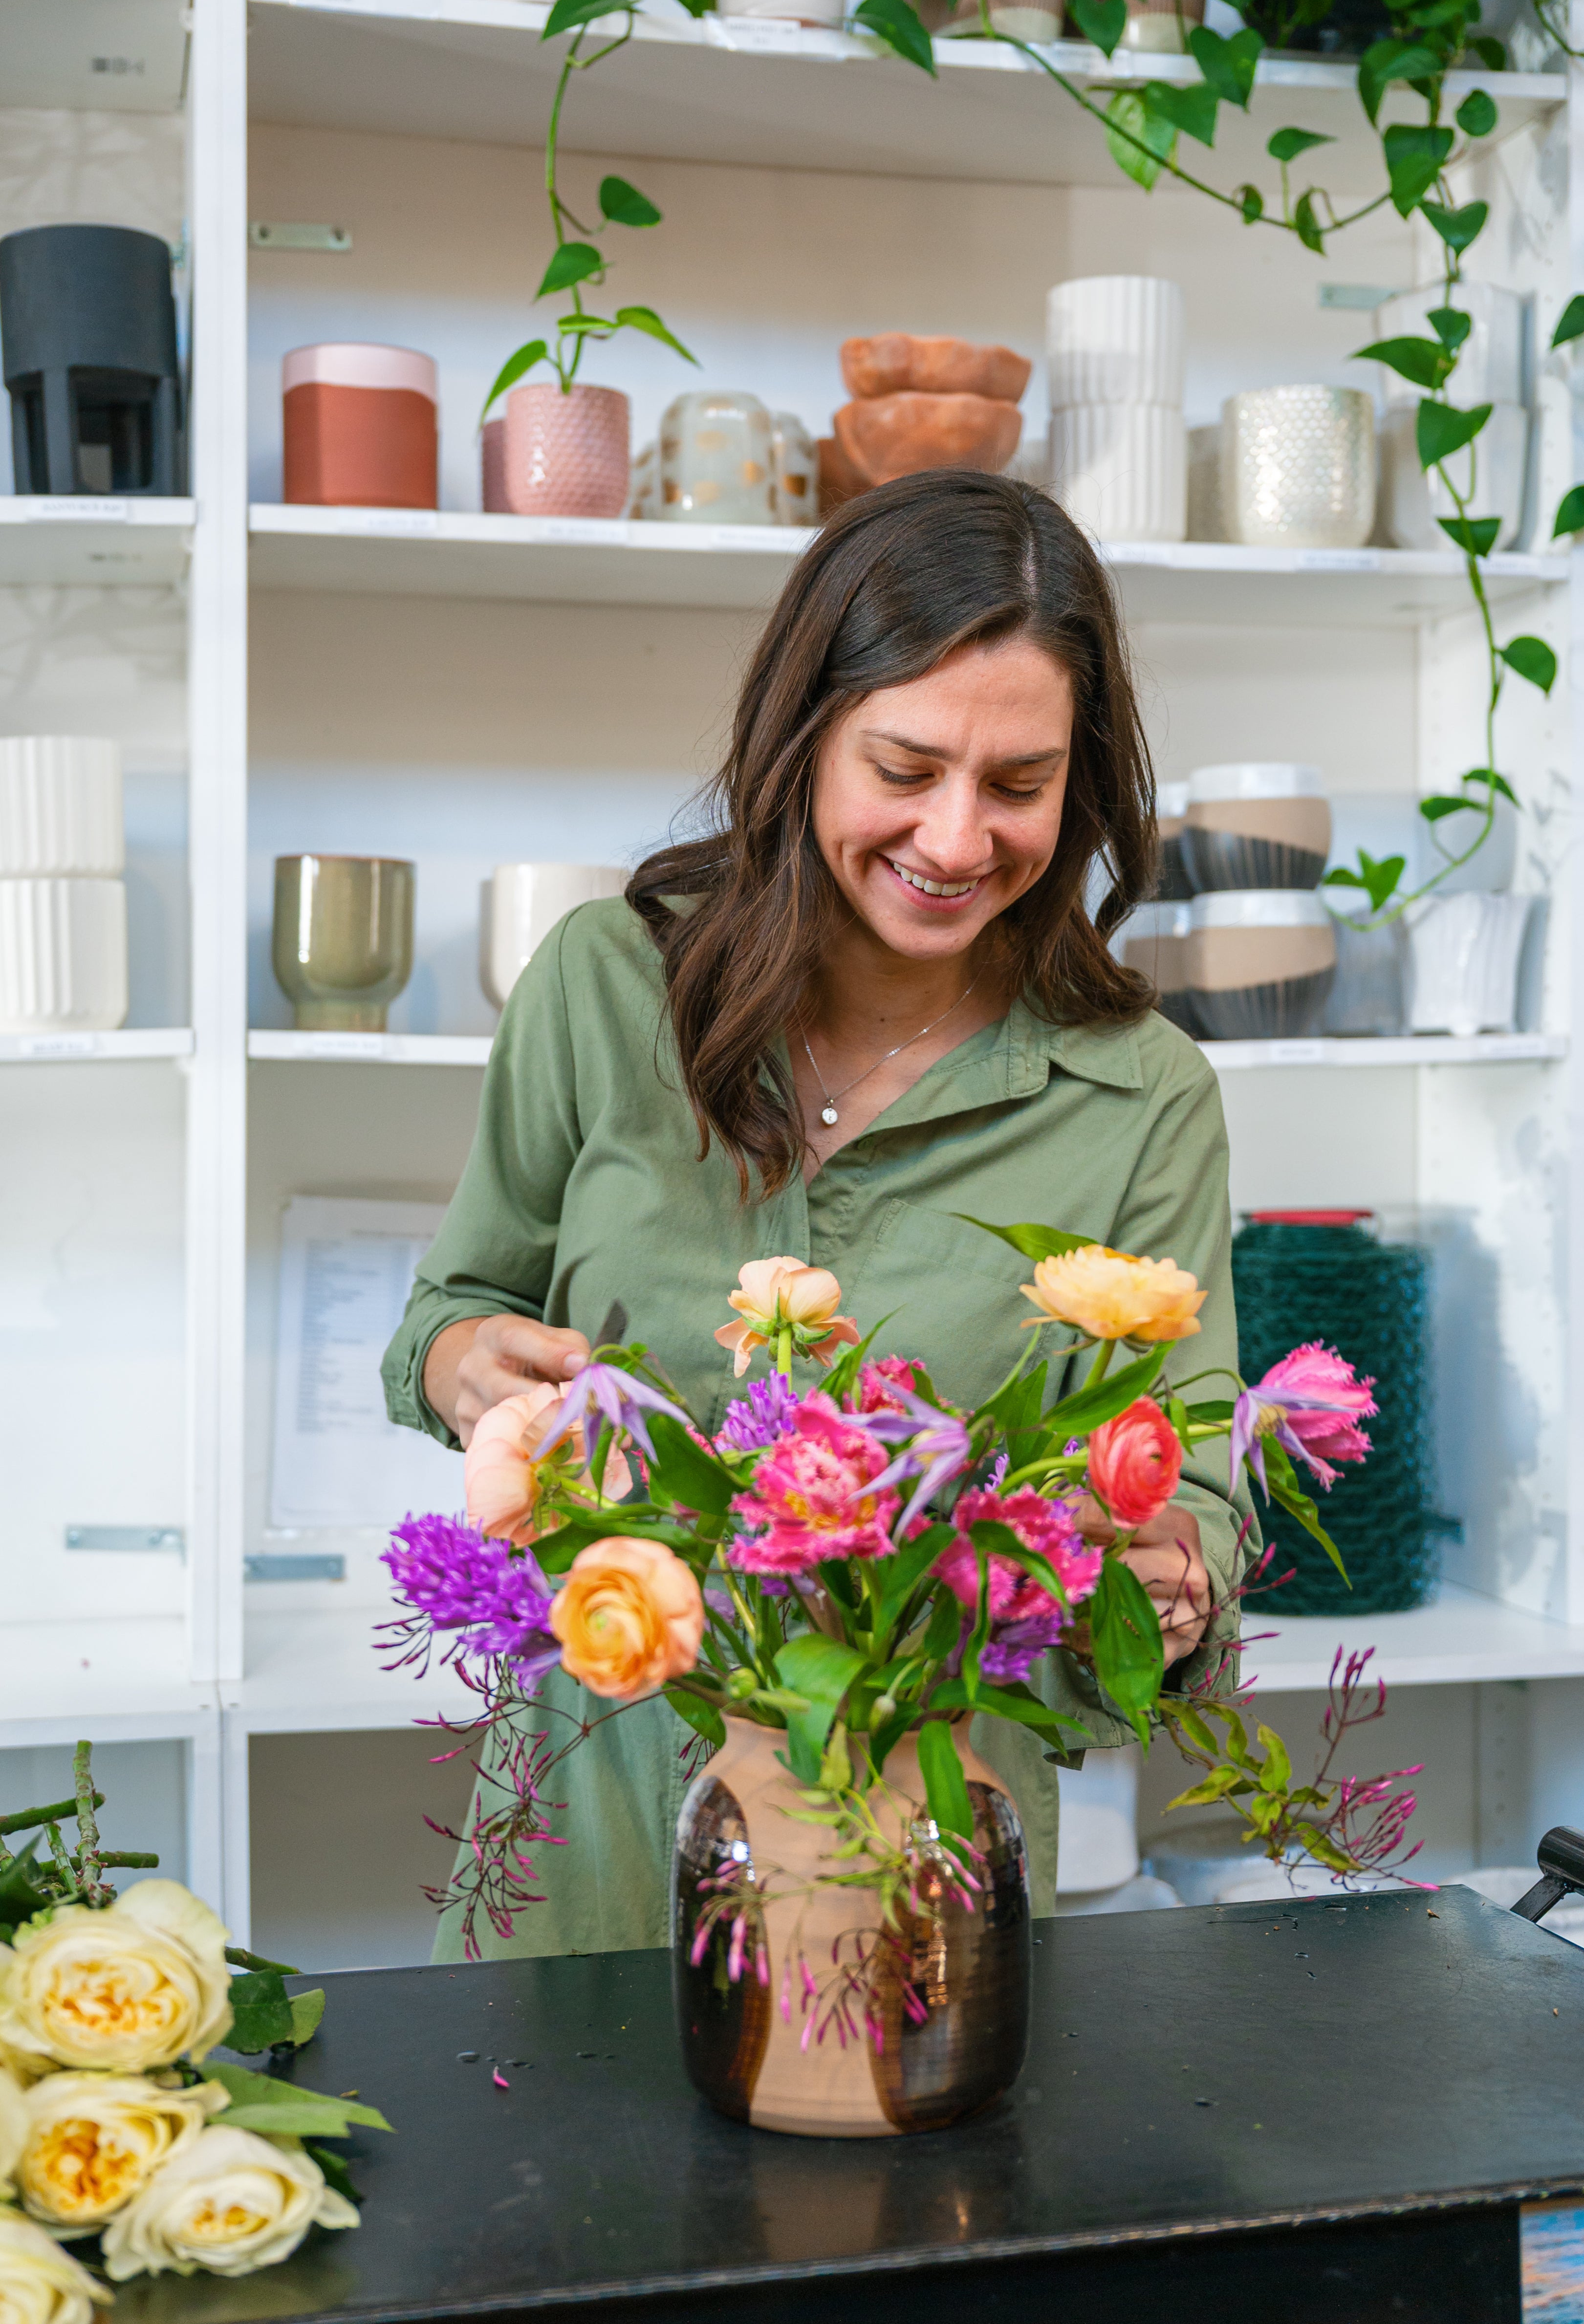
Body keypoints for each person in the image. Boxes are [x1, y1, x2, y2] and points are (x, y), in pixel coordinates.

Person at [382, 467, 1249, 1961]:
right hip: (584, 1833)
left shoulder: (1139, 1091)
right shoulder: (604, 984)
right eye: (905, 769)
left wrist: (1181, 1575)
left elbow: (1201, 1462)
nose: (961, 839)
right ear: (801, 741)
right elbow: (451, 1312)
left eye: (1022, 785)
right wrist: (463, 1366)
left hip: (915, 1840)